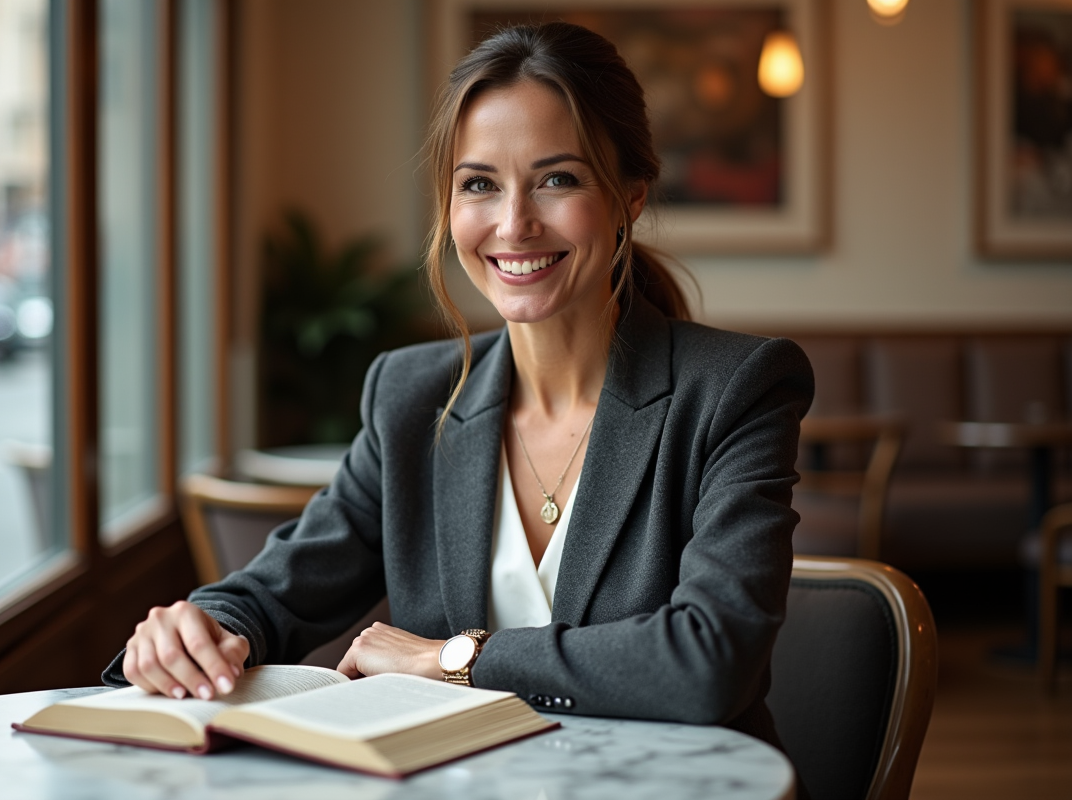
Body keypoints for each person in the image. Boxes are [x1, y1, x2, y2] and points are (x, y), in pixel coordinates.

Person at [104, 22, 813, 749]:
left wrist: (450, 658)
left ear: (630, 196)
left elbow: (709, 662)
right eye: (479, 184)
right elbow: (279, 588)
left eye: (558, 179)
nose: (514, 223)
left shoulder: (735, 390)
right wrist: (198, 629)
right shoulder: (411, 396)